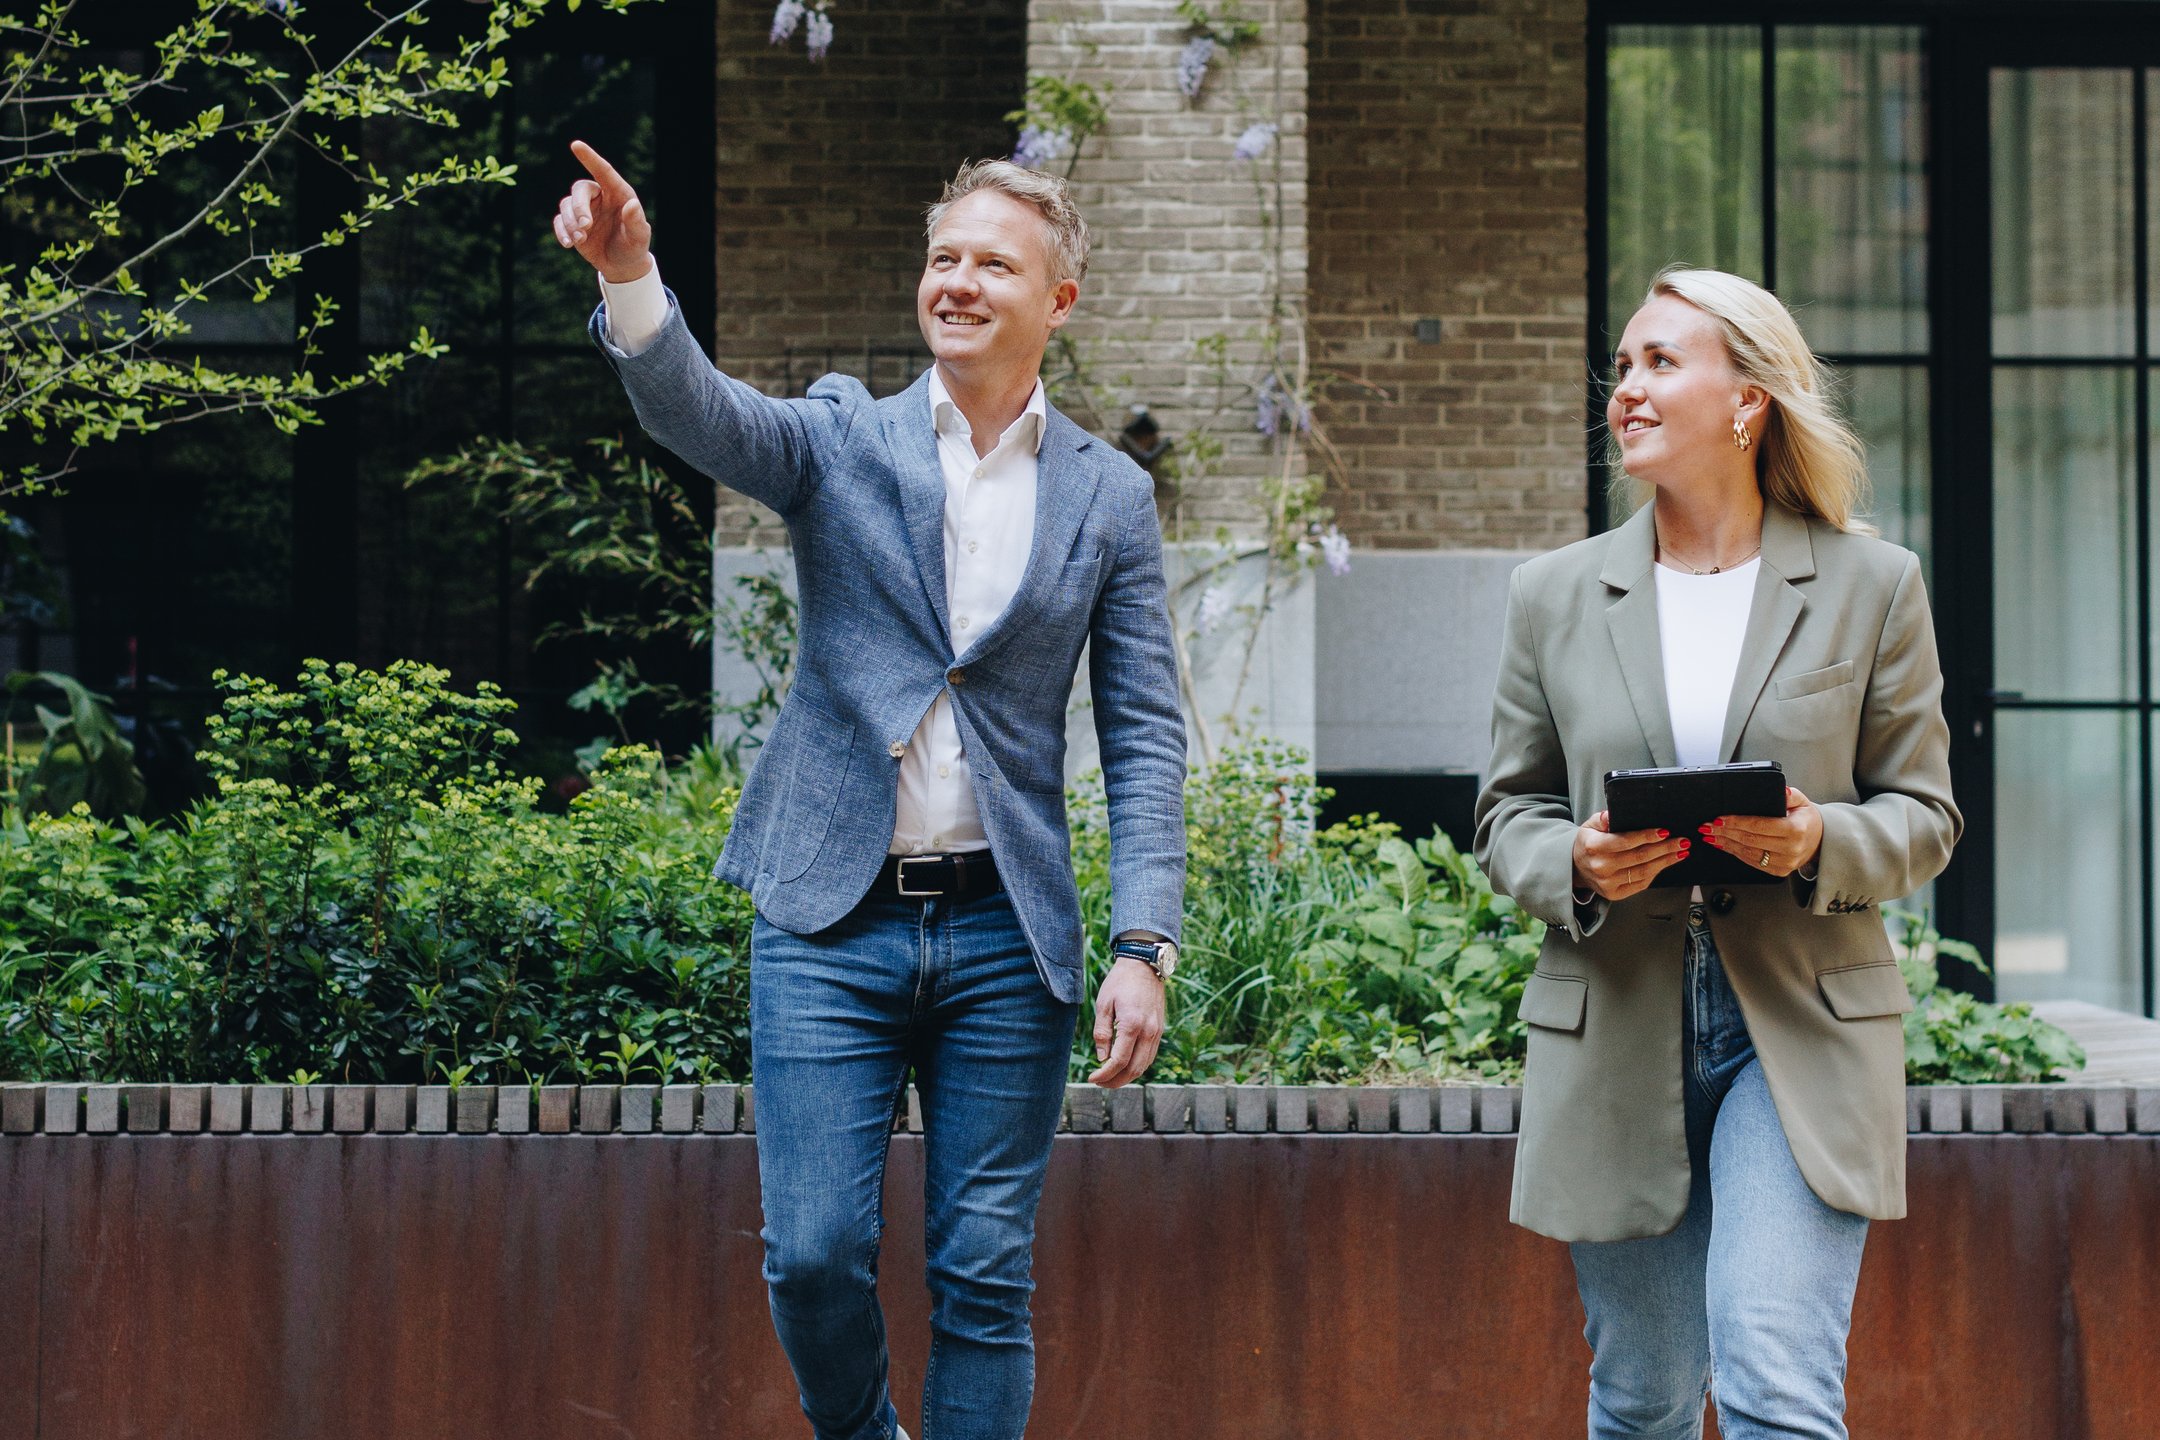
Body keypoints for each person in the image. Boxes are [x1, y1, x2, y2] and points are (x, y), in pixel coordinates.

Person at [555, 143, 1188, 1440]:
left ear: (1057, 301)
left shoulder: (1110, 499)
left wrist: (1145, 944)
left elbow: (1142, 733)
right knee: (815, 1253)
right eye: (942, 258)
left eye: (992, 264)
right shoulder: (843, 438)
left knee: (982, 1274)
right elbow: (705, 416)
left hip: (1009, 935)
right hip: (827, 917)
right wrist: (631, 278)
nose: (956, 282)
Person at [1473, 266, 1962, 1440]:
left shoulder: (1872, 585)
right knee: (1641, 1399)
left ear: (1748, 401)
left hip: (1800, 1023)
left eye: (1661, 363)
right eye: (1623, 367)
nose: (1626, 390)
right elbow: (1505, 818)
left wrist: (1816, 837)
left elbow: (1927, 816)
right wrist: (1578, 867)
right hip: (1615, 1019)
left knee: (1775, 1387)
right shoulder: (1552, 595)